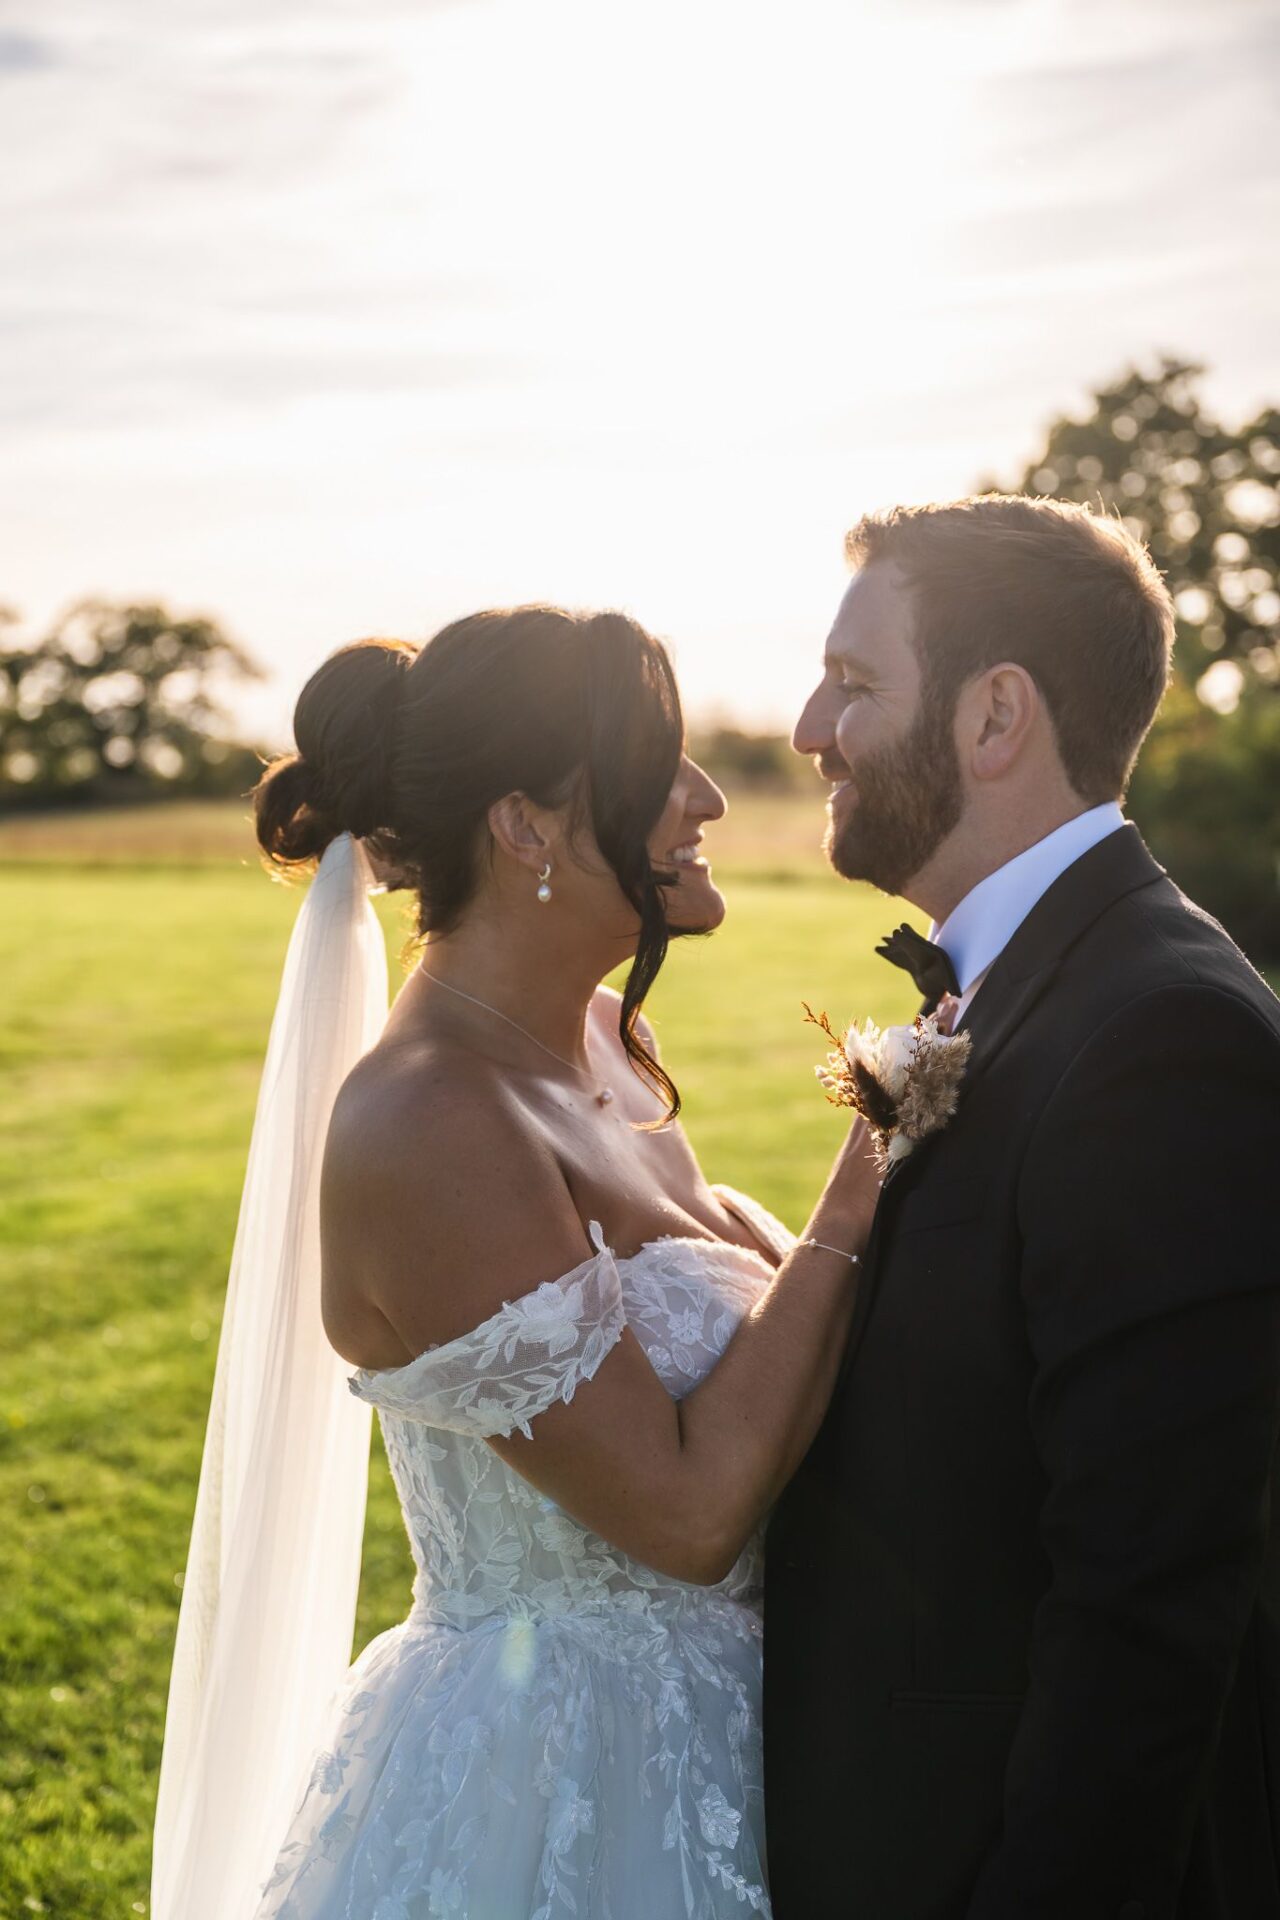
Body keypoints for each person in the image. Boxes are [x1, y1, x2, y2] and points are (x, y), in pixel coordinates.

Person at [150, 604, 882, 1920]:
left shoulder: (603, 1039)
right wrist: (870, 1169)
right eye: (661, 767)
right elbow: (685, 1517)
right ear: (525, 826)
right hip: (562, 1785)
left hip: (743, 1738)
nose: (710, 795)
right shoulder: (427, 1126)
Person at [764, 495, 1280, 1919]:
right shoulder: (1015, 989)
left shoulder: (1164, 1038)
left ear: (998, 717)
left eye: (855, 681)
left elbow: (1148, 1616)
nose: (811, 725)